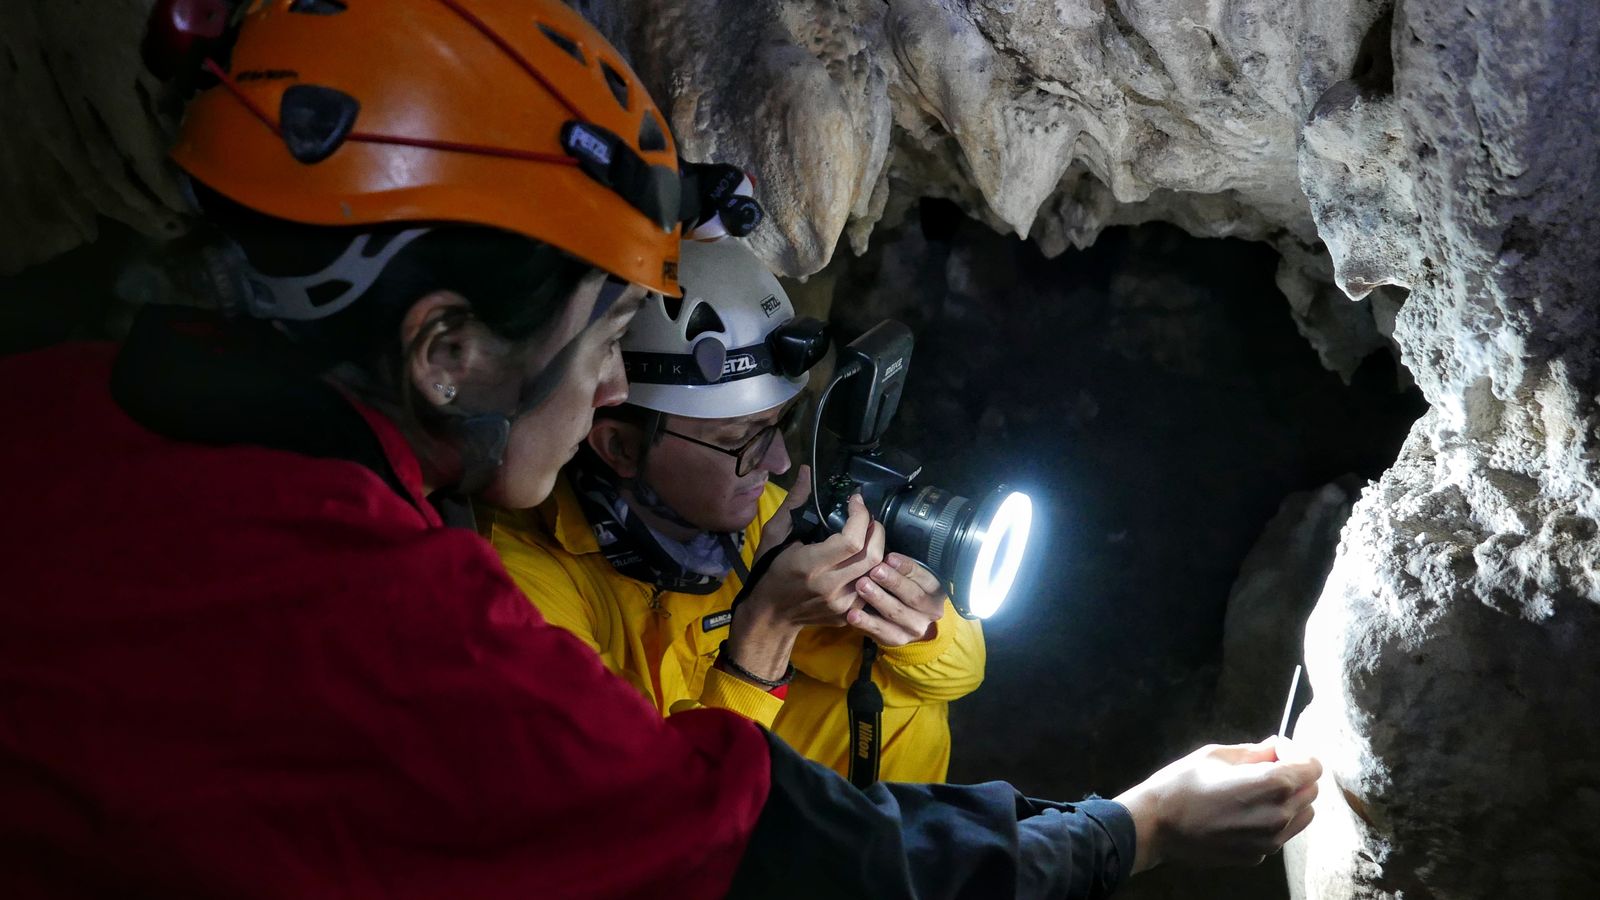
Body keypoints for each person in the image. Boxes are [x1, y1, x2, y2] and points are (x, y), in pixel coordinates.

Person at [0, 2, 1321, 898]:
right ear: (444, 347)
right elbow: (742, 855)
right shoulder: (407, 635)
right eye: (601, 340)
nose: (616, 384)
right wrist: (1133, 829)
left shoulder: (48, 409)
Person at [484, 237, 985, 783]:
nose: (775, 463)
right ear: (621, 447)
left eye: (782, 426)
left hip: (721, 779)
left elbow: (955, 677)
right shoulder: (521, 585)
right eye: (741, 438)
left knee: (902, 716)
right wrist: (766, 631)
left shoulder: (754, 523)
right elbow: (631, 818)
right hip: (649, 822)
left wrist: (914, 625)